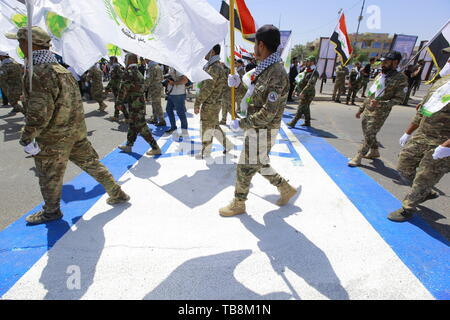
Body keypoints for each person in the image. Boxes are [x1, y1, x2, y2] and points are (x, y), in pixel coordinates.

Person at [6, 26, 130, 225]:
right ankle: (117, 192)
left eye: (20, 42)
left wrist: (27, 136)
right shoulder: (61, 69)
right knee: (92, 164)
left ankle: (51, 211)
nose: (19, 46)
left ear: (29, 44)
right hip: (75, 131)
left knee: (49, 175)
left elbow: (39, 112)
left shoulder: (37, 72)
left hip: (53, 136)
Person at [220, 25, 297, 217]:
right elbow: (253, 97)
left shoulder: (276, 73)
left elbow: (268, 113)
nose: (254, 47)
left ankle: (239, 203)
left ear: (260, 45)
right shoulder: (264, 69)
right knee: (259, 163)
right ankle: (285, 188)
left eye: (255, 43)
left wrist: (242, 124)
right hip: (258, 128)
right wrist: (237, 86)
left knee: (244, 166)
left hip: (264, 129)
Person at [389, 73, 450, 222]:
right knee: (404, 165)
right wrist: (408, 132)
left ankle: (408, 207)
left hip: (443, 141)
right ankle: (424, 192)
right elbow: (423, 109)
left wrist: (447, 146)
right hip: (422, 135)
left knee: (425, 175)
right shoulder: (442, 82)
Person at [348, 51, 408, 167]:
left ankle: (358, 156)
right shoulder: (380, 75)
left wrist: (381, 104)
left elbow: (399, 99)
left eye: (386, 62)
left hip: (380, 112)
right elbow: (371, 94)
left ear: (395, 63)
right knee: (368, 133)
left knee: (370, 132)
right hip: (368, 109)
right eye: (382, 62)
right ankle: (374, 151)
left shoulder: (401, 78)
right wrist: (361, 109)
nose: (383, 64)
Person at [116, 53, 162, 156]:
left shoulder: (129, 72)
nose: (124, 60)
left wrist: (119, 102)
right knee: (133, 125)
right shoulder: (138, 72)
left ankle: (155, 147)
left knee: (141, 126)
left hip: (135, 104)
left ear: (130, 60)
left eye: (125, 58)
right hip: (138, 103)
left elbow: (124, 88)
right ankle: (128, 146)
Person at [194, 44, 233, 159]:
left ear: (213, 51)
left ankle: (206, 152)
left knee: (206, 127)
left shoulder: (214, 67)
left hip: (210, 103)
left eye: (207, 50)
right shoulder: (214, 66)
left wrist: (198, 103)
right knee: (214, 126)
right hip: (215, 102)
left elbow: (207, 88)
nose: (205, 53)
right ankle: (228, 145)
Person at [287, 56, 319, 128]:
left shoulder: (315, 72)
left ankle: (293, 122)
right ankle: (307, 122)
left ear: (312, 62)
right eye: (306, 61)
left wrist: (303, 92)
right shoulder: (306, 70)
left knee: (301, 107)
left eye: (308, 61)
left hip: (309, 93)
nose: (306, 63)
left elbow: (310, 84)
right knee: (306, 107)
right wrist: (295, 90)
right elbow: (299, 80)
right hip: (302, 92)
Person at [164, 67, 189, 134]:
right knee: (168, 110)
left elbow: (185, 80)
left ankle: (184, 131)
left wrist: (174, 83)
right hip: (172, 93)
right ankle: (173, 127)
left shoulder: (177, 67)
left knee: (180, 113)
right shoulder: (171, 67)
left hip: (178, 94)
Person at [105, 56, 129, 122]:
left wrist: (107, 88)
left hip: (117, 87)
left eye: (110, 60)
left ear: (113, 60)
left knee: (119, 103)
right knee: (117, 102)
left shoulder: (115, 68)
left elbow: (112, 80)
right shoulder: (118, 67)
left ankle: (127, 117)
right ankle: (116, 116)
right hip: (118, 87)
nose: (109, 61)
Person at [145, 59, 166, 126]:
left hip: (154, 88)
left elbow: (148, 79)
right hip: (158, 87)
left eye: (146, 59)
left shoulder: (151, 67)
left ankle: (162, 120)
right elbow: (162, 77)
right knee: (155, 104)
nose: (145, 61)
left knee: (157, 104)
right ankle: (155, 118)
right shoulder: (158, 66)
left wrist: (144, 87)